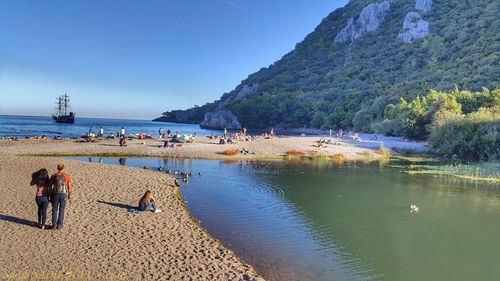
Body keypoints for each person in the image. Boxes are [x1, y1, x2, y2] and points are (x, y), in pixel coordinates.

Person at [50, 164, 73, 229]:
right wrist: (70, 194)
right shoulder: (67, 176)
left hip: (55, 194)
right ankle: (60, 224)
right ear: (63, 168)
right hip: (63, 194)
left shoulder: (54, 176)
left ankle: (54, 224)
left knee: (54, 209)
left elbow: (50, 186)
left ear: (57, 168)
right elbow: (69, 186)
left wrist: (50, 194)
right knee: (62, 209)